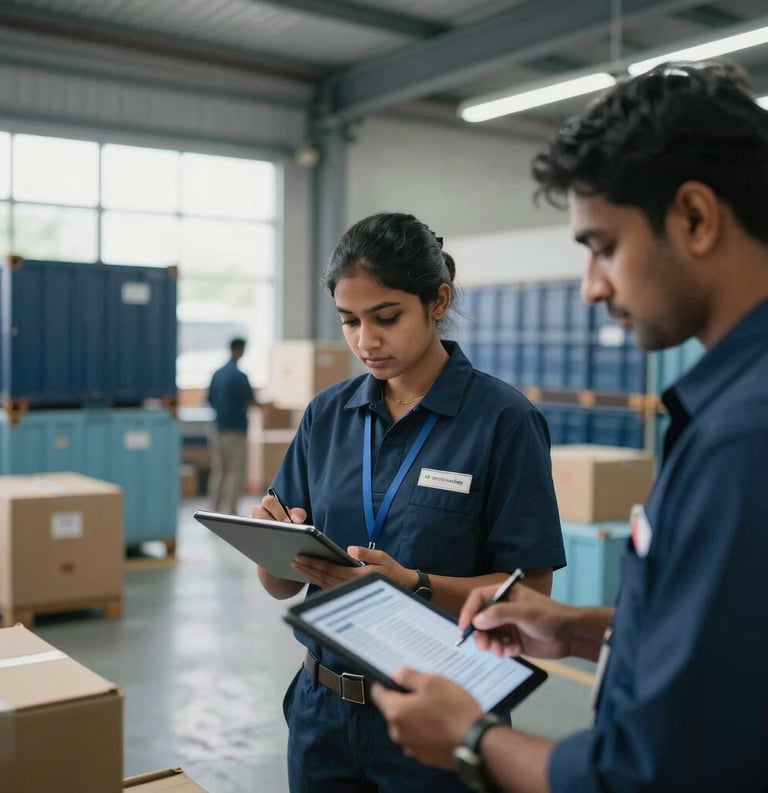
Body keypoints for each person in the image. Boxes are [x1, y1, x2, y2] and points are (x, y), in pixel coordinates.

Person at [372, 60, 768, 792]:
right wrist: (580, 627)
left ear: (695, 217)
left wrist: (469, 738)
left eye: (604, 247)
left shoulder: (744, 438)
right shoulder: (731, 406)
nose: (591, 287)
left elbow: (651, 774)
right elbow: (739, 650)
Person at [251, 211, 566, 793]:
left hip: (439, 716)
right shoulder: (328, 416)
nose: (366, 341)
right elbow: (280, 585)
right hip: (324, 716)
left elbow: (531, 595)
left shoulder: (503, 422)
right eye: (350, 321)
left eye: (386, 317)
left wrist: (414, 584)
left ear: (438, 301)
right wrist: (272, 546)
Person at [207, 337, 255, 514]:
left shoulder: (217, 374)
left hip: (218, 428)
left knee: (219, 471)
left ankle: (214, 509)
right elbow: (250, 402)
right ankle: (232, 511)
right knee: (235, 472)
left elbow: (209, 399)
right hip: (236, 431)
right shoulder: (240, 377)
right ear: (240, 350)